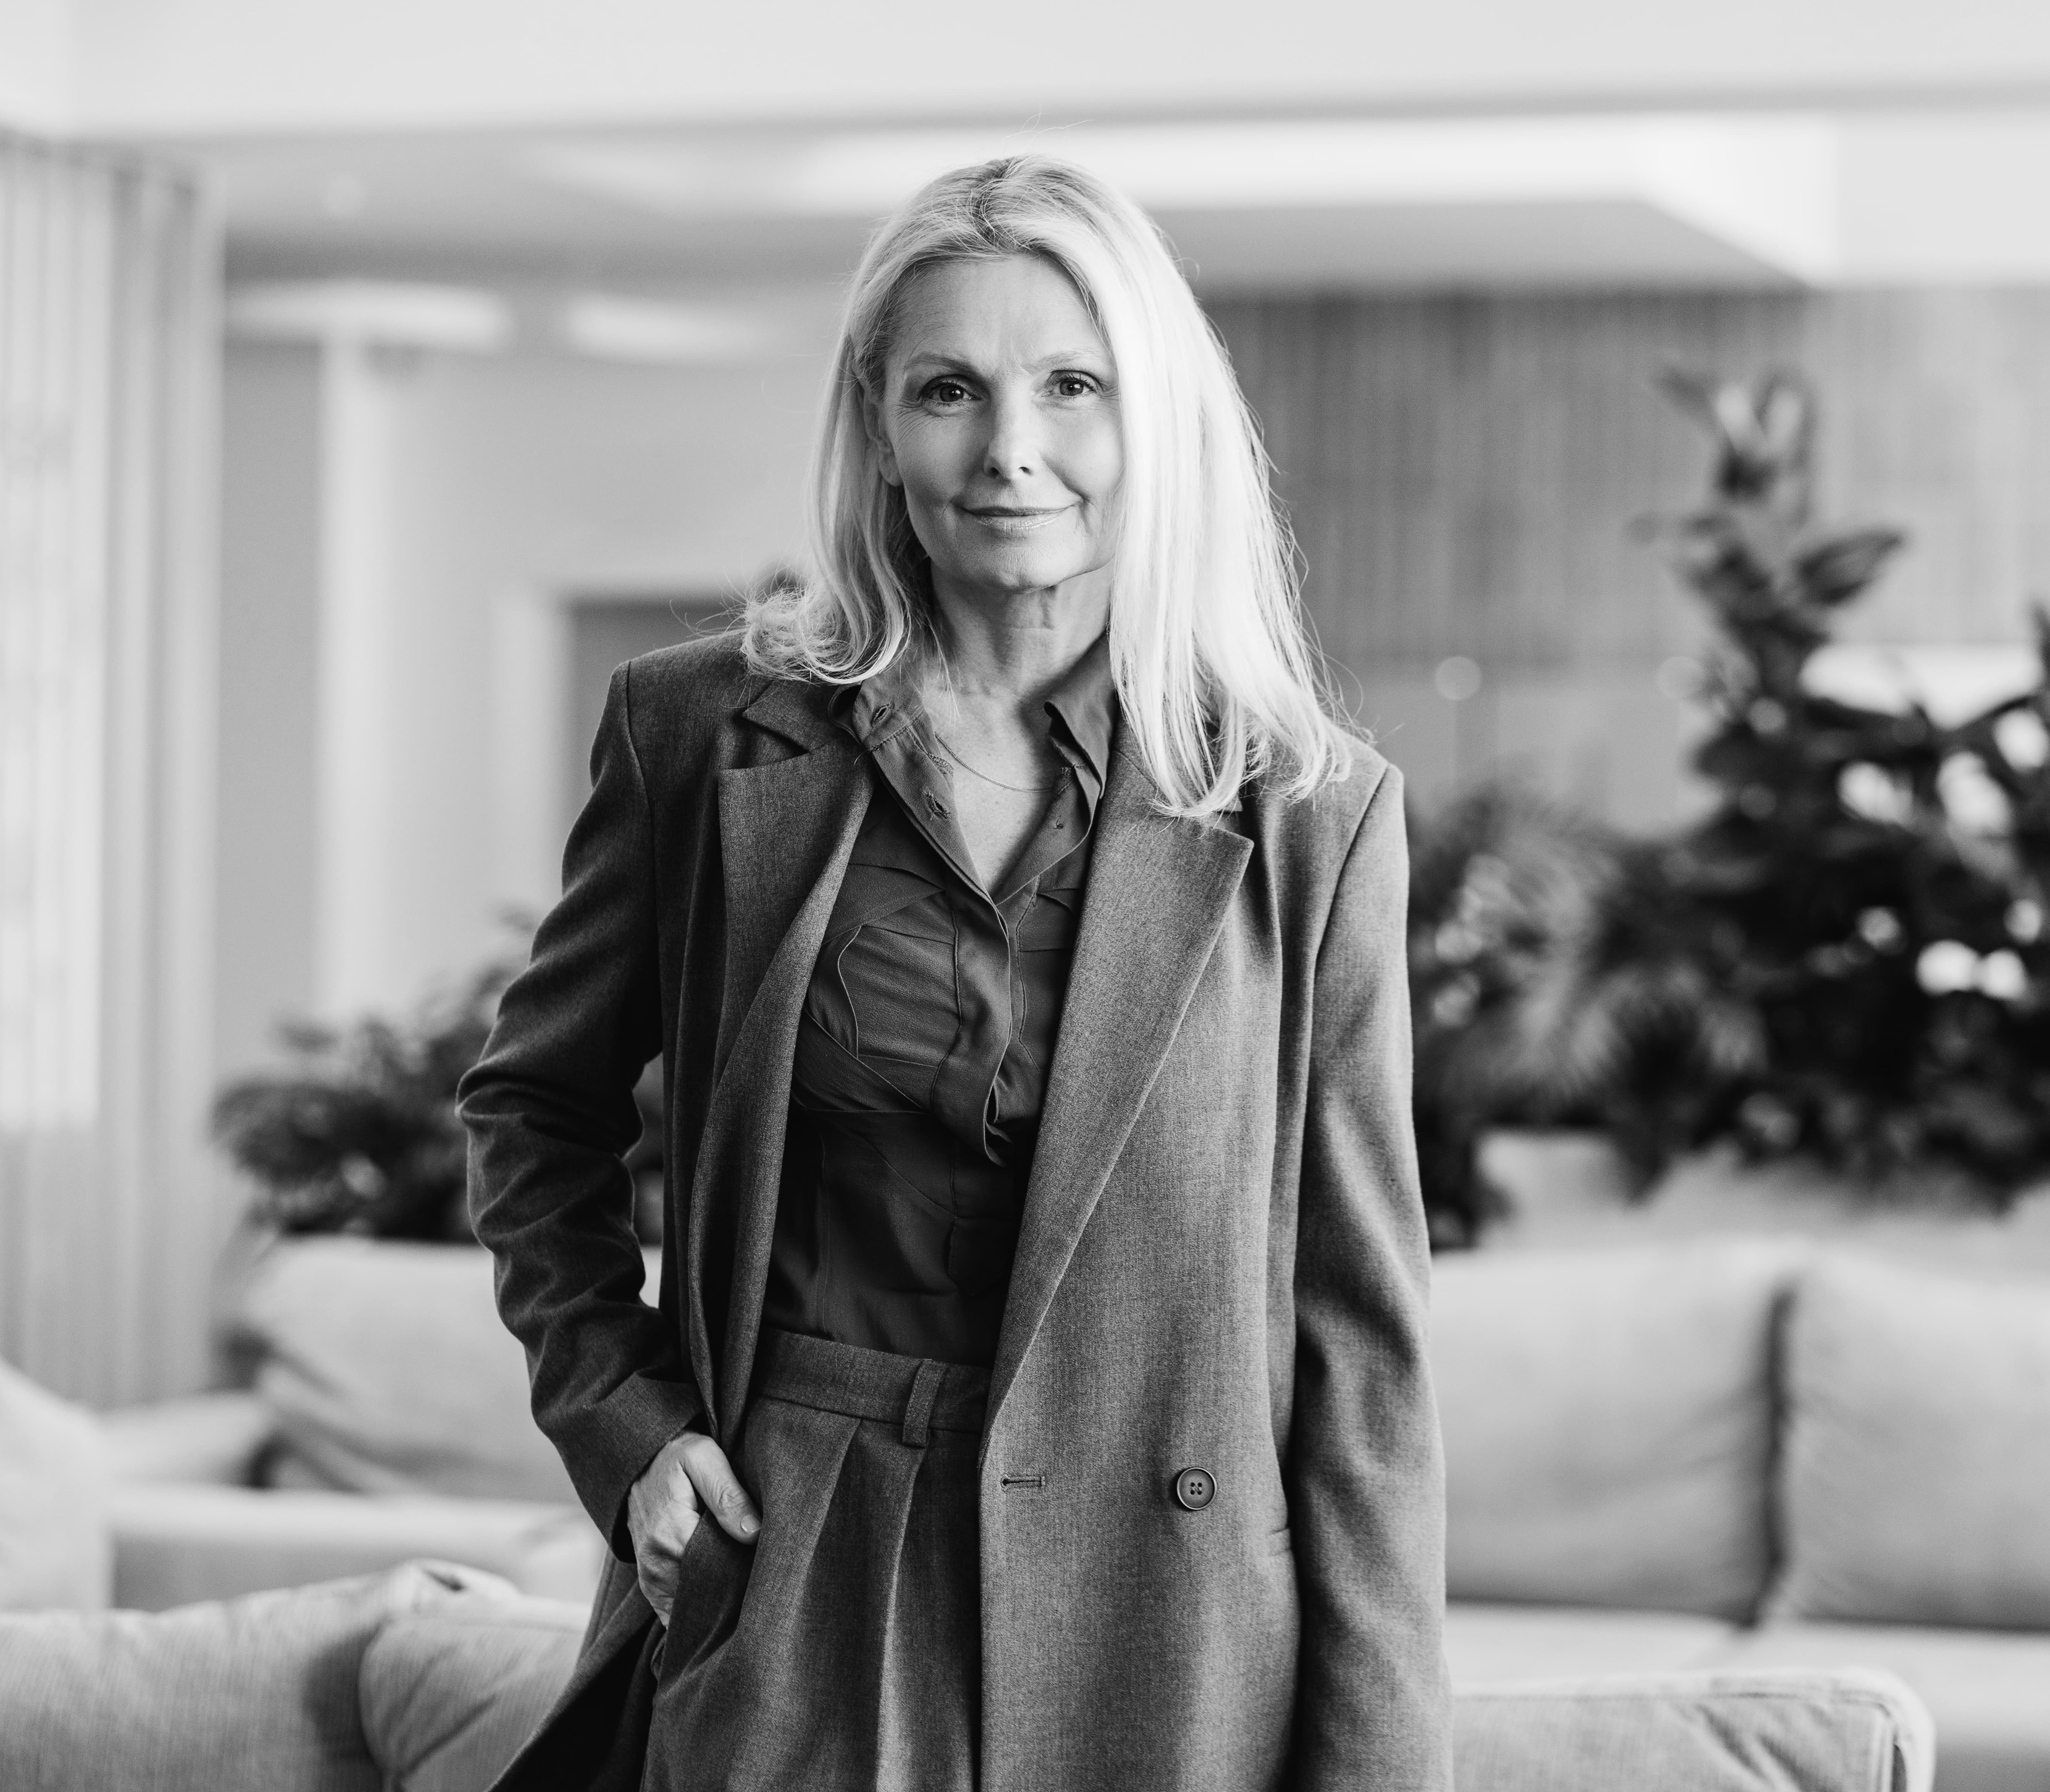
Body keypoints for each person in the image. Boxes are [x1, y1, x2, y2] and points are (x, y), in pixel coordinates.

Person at [458, 153, 1447, 1792]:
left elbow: (1363, 1346)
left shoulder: (1312, 814)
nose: (1011, 450)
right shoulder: (701, 737)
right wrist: (627, 1432)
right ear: (877, 420)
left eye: (1073, 386)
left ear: (1157, 419)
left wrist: (1382, 1767)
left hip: (1169, 1615)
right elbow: (530, 1112)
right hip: (797, 1557)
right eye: (949, 389)